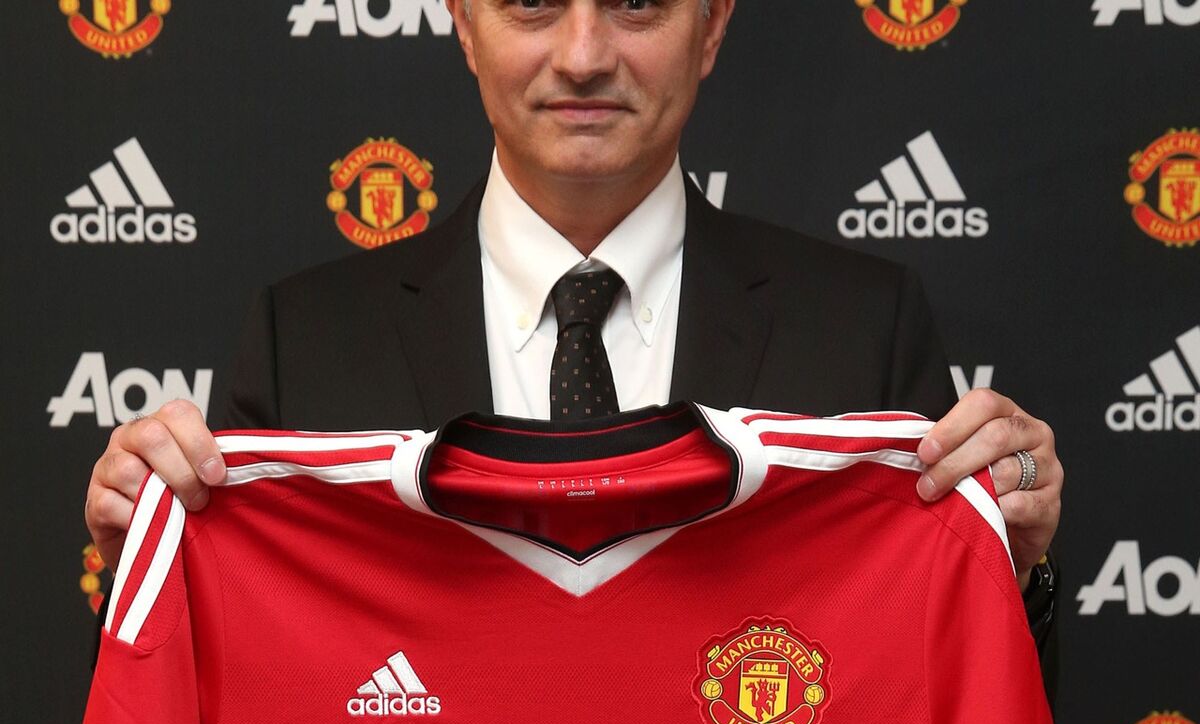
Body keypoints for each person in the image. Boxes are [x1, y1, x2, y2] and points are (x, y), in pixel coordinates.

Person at [84, 0, 1061, 664]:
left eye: (637, 3)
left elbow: (954, 707)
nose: (585, 54)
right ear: (463, 23)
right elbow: (219, 703)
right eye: (533, 3)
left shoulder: (864, 326)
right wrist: (146, 574)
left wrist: (1009, 571)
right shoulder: (303, 340)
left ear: (713, 26)